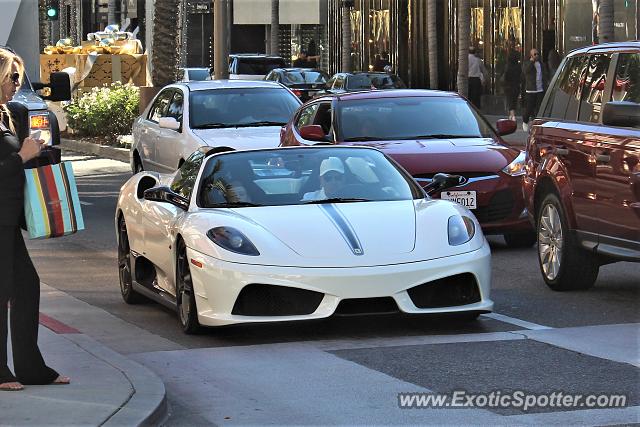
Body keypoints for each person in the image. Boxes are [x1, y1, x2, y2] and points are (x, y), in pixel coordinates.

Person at [0, 49, 70, 391]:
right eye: (13, 77)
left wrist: (34, 153)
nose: (16, 84)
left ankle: (29, 367)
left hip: (8, 218)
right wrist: (20, 156)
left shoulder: (6, 115)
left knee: (26, 287)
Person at [521, 48, 549, 131]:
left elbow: (544, 73)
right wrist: (531, 61)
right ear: (531, 55)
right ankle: (525, 121)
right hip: (530, 90)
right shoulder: (527, 63)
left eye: (537, 54)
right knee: (529, 107)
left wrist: (546, 82)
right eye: (535, 54)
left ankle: (535, 124)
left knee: (539, 108)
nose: (537, 55)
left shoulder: (541, 64)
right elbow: (525, 71)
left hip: (540, 89)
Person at [502, 50, 522, 122]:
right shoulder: (518, 66)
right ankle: (512, 115)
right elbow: (521, 76)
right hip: (516, 86)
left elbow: (505, 77)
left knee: (510, 100)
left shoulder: (507, 66)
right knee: (514, 100)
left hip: (508, 86)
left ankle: (512, 115)